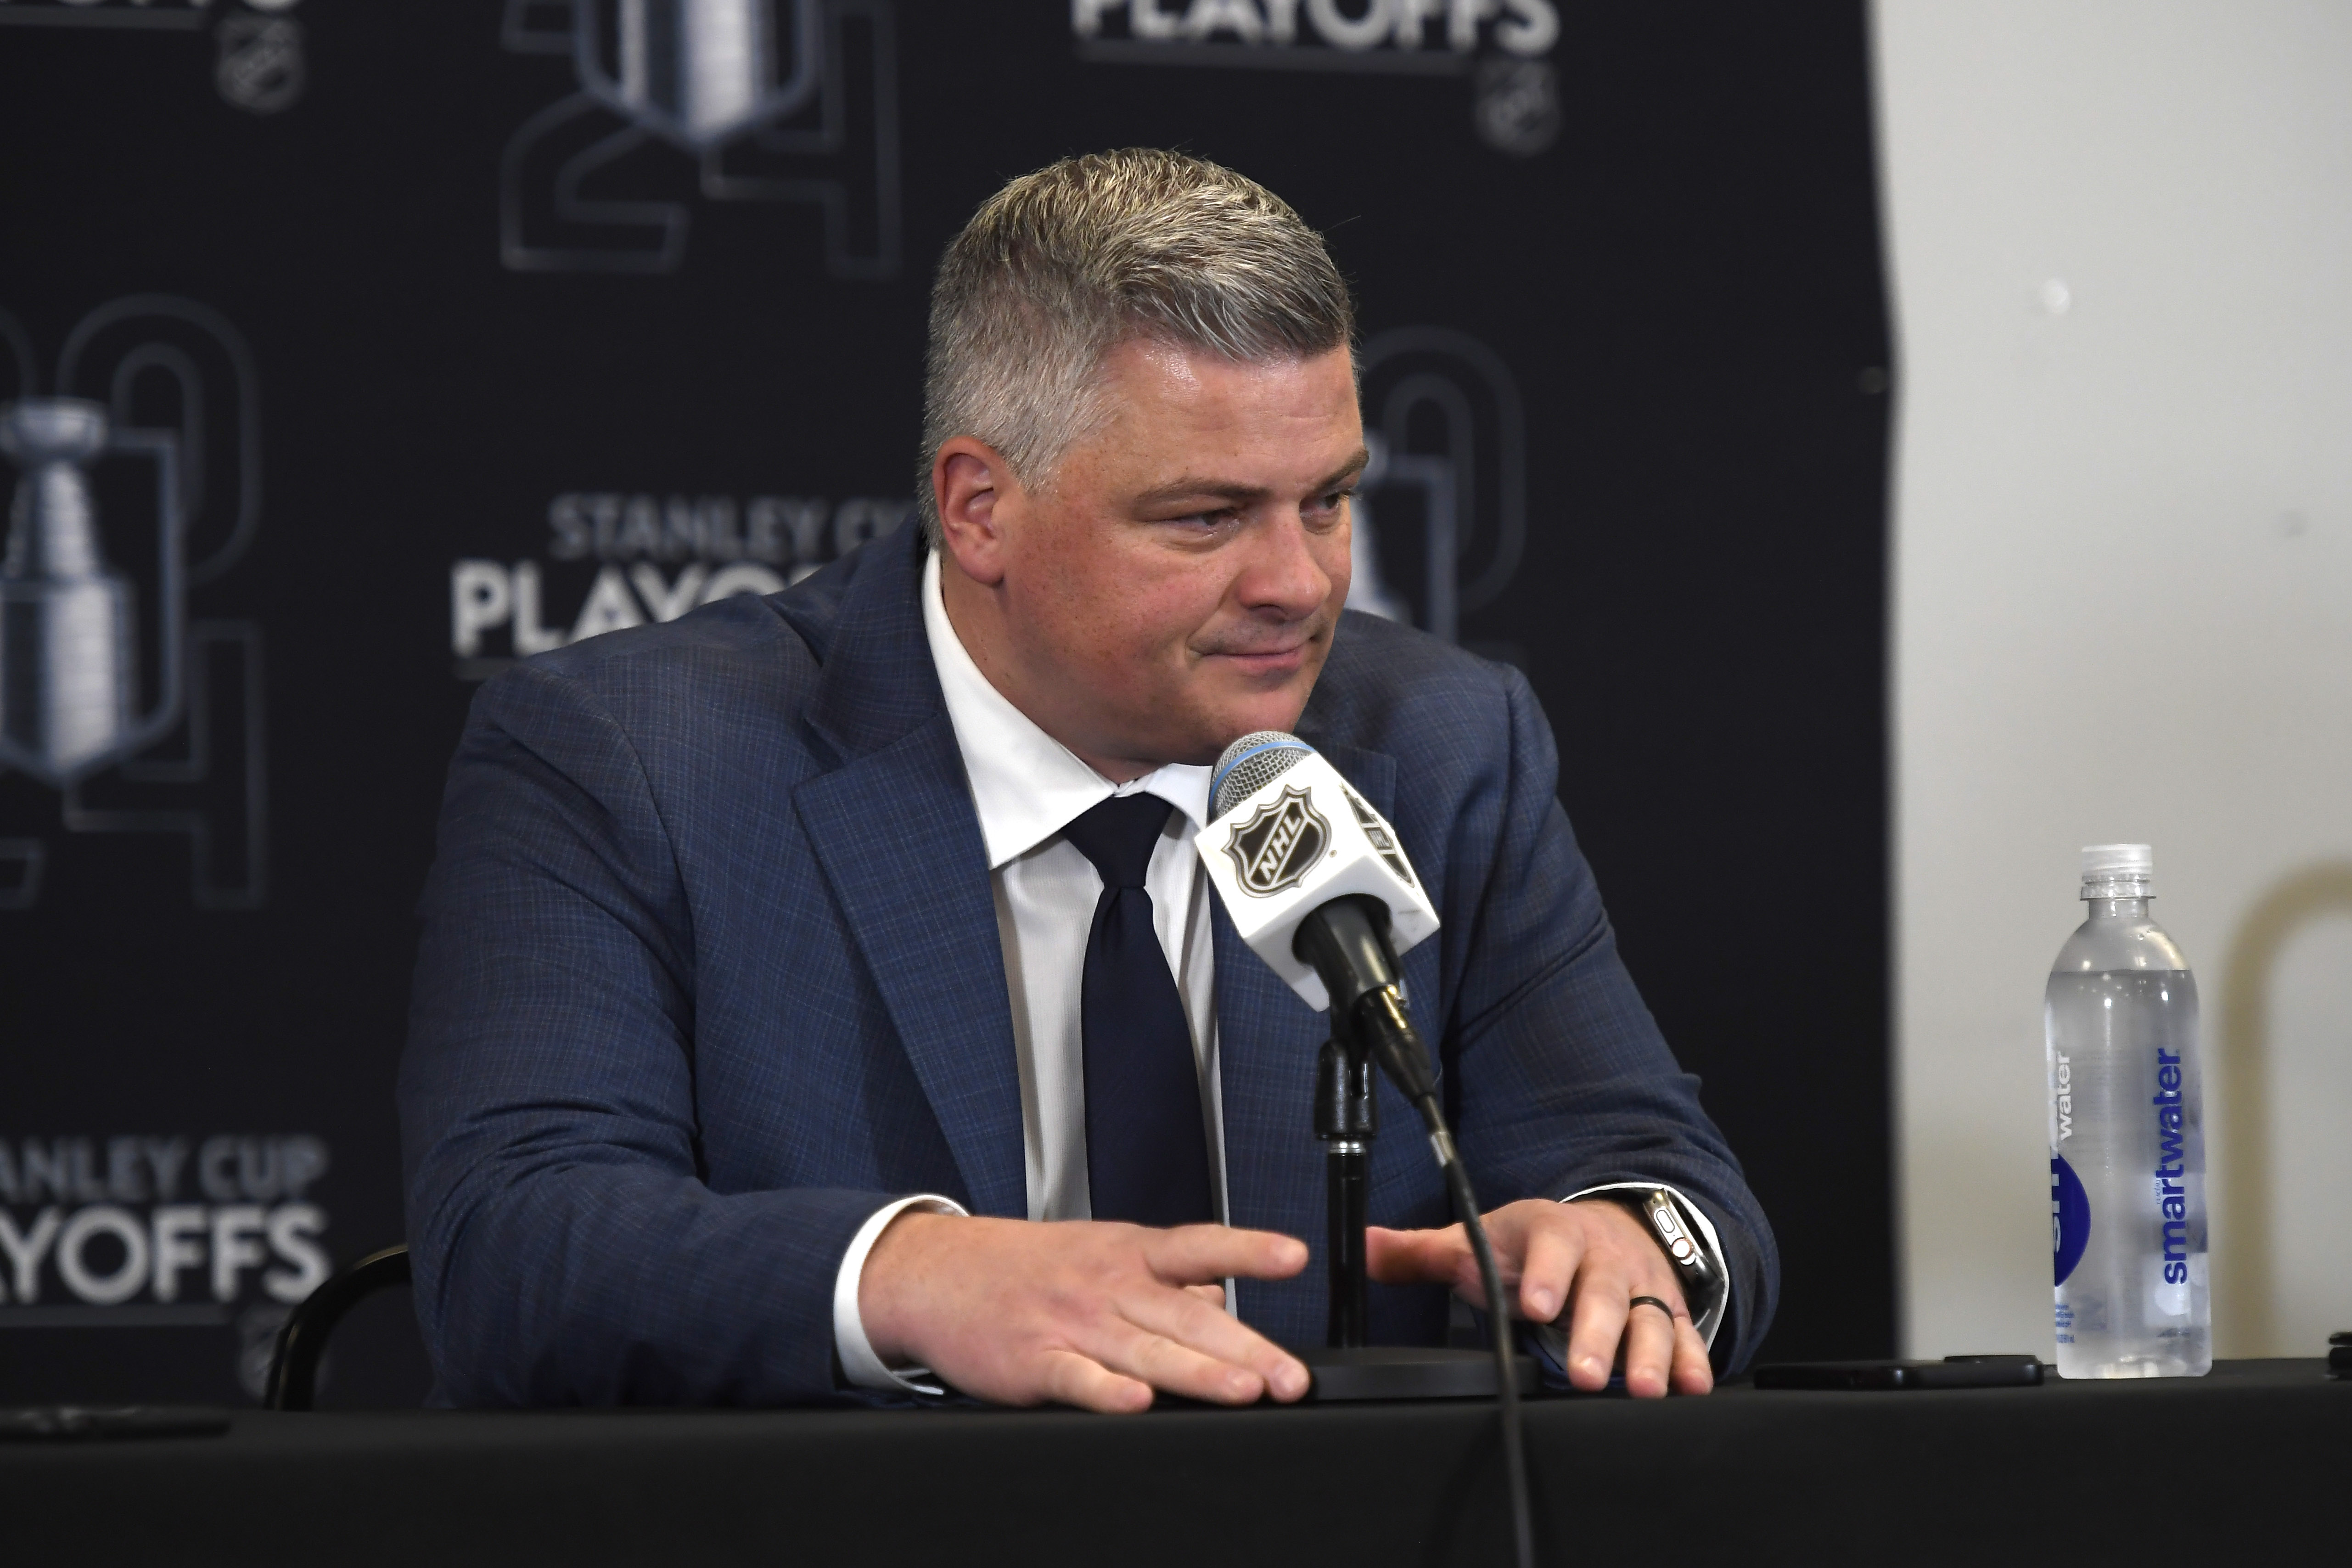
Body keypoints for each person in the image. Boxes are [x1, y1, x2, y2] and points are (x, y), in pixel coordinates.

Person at [400, 149, 1777, 1411]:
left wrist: (1626, 1250)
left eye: (1328, 499)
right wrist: (918, 1278)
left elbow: (1648, 1160)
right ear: (978, 509)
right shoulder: (636, 755)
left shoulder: (1440, 741)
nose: (1297, 585)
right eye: (1206, 517)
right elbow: (515, 1248)